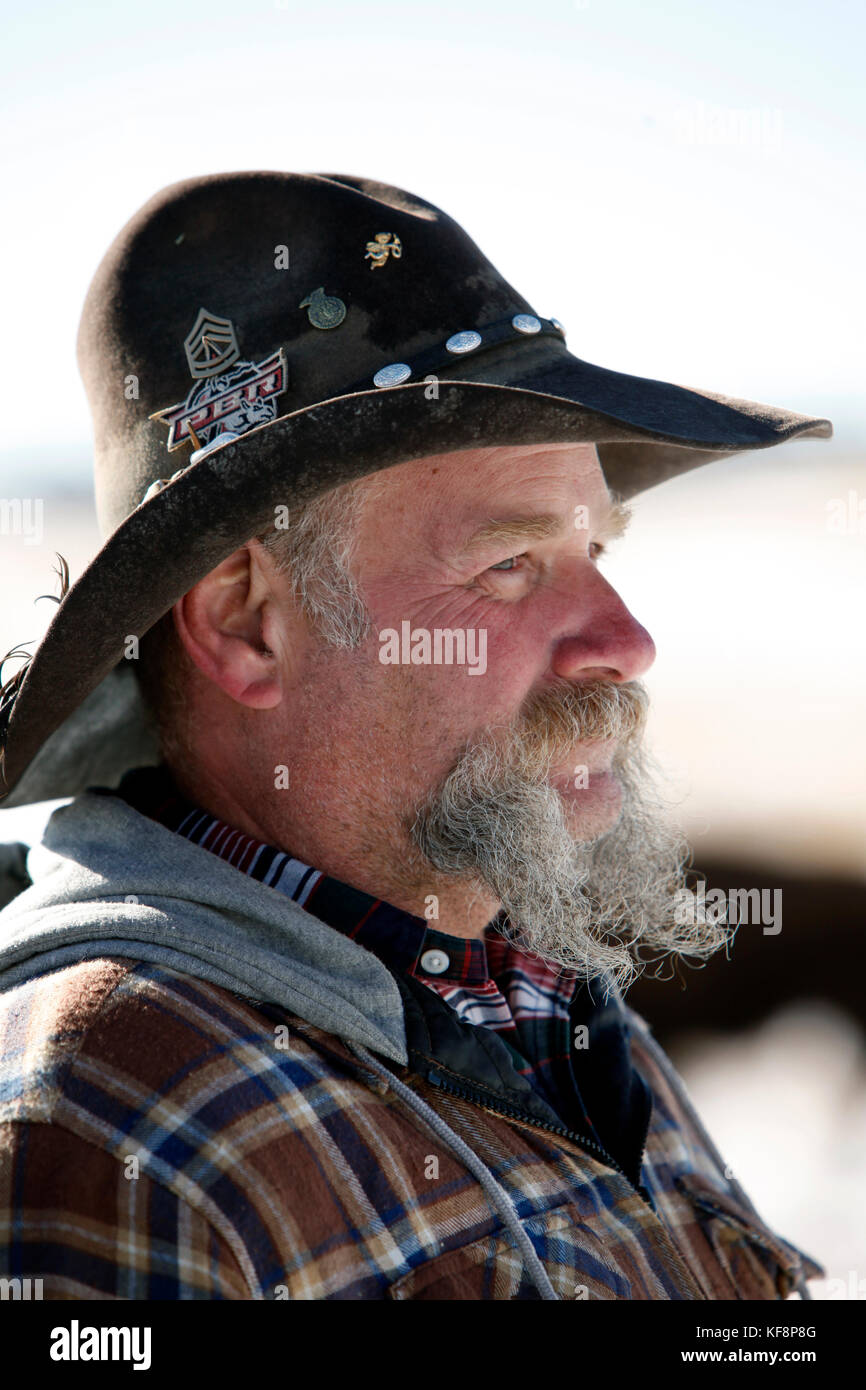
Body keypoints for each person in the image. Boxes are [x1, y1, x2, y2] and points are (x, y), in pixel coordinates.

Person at [0, 171, 831, 1300]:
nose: (622, 640)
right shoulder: (118, 1113)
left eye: (597, 556)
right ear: (247, 625)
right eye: (508, 564)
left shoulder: (540, 997)